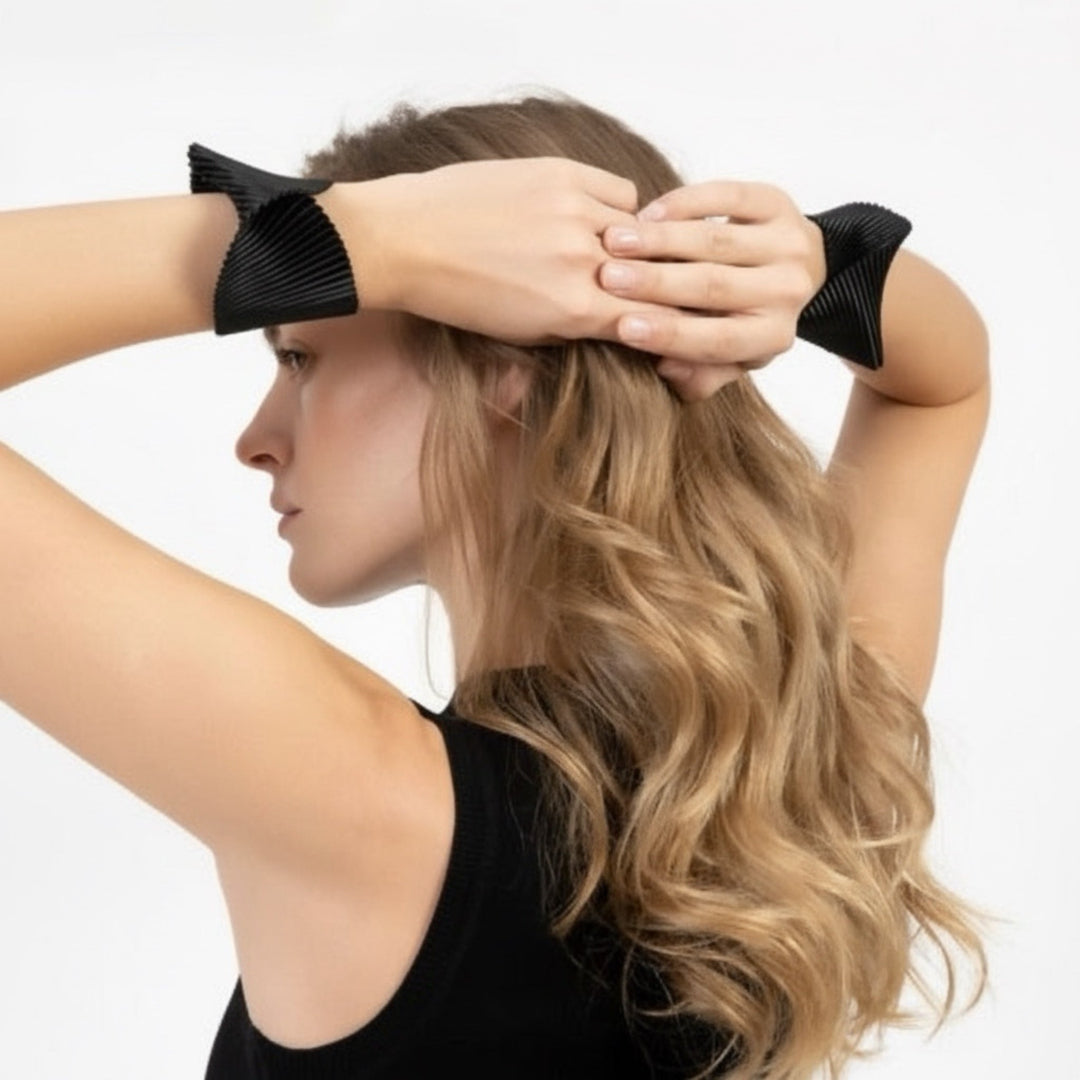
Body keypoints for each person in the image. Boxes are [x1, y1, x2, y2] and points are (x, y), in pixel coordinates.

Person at [0, 92, 991, 1079]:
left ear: (499, 360)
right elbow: (944, 384)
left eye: (300, 354)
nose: (256, 439)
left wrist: (367, 236)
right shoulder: (804, 760)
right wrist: (811, 270)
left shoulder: (354, 794)